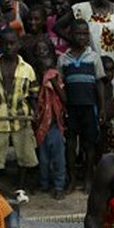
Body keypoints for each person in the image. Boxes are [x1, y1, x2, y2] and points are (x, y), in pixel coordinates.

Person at [56, 0, 114, 151]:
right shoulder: (81, 10)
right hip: (90, 68)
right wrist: (75, 41)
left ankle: (113, 154)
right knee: (91, 112)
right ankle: (89, 157)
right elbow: (57, 26)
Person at [0, 28, 38, 191]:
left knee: (25, 154)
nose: (9, 47)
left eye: (12, 43)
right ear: (0, 45)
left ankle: (21, 187)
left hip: (22, 117)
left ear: (18, 44)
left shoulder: (27, 68)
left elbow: (32, 95)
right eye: (5, 44)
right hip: (0, 117)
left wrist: (36, 111)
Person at [58, 20, 105, 193]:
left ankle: (88, 179)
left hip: (89, 108)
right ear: (71, 35)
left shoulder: (94, 57)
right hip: (71, 109)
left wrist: (101, 108)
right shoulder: (63, 59)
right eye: (78, 33)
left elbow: (100, 84)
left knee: (89, 145)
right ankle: (72, 180)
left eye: (85, 34)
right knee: (70, 145)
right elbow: (60, 83)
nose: (82, 37)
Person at [34, 45, 67, 200]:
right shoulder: (35, 77)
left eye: (46, 54)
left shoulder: (55, 76)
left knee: (58, 158)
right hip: (41, 125)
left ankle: (59, 186)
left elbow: (64, 98)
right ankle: (44, 183)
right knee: (44, 157)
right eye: (39, 55)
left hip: (54, 124)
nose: (43, 58)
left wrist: (52, 80)